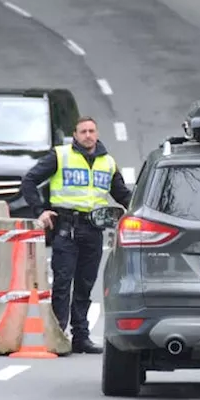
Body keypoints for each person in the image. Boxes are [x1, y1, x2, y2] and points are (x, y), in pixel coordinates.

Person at [20, 116, 132, 354]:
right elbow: (29, 181)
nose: (88, 135)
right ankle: (59, 336)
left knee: (85, 285)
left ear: (97, 134)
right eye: (83, 131)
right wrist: (40, 211)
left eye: (92, 131)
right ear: (75, 134)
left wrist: (140, 212)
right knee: (62, 282)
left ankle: (81, 337)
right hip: (67, 228)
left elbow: (122, 194)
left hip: (94, 230)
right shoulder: (60, 156)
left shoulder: (108, 162)